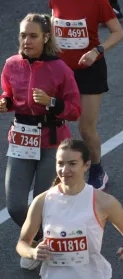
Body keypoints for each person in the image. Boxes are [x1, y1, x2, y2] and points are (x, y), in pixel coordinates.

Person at [2, 14, 82, 270]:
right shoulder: (12, 64)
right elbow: (8, 92)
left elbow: (74, 109)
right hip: (21, 141)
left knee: (44, 203)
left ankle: (48, 246)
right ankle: (41, 240)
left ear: (46, 38)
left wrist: (52, 102)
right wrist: (5, 101)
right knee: (15, 205)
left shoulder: (59, 69)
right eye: (23, 35)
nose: (27, 40)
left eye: (33, 35)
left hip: (51, 143)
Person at [49, 0, 123, 192]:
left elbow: (117, 32)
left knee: (85, 127)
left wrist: (97, 51)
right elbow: (53, 22)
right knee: (56, 121)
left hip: (90, 70)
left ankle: (97, 169)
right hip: (61, 70)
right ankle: (60, 169)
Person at [16, 139, 123, 275]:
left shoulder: (104, 202)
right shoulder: (42, 201)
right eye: (60, 163)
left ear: (86, 165)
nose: (64, 170)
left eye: (72, 164)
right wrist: (32, 252)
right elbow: (22, 243)